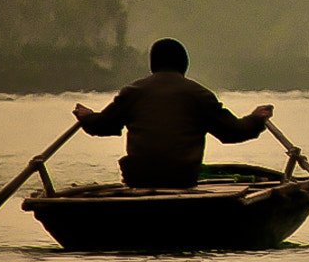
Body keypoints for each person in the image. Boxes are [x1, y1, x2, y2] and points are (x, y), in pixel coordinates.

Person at [72, 38, 273, 188]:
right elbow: (232, 132)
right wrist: (256, 119)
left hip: (138, 178)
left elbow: (103, 125)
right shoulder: (198, 94)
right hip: (182, 178)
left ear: (152, 65)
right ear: (184, 65)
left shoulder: (133, 92)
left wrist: (87, 116)